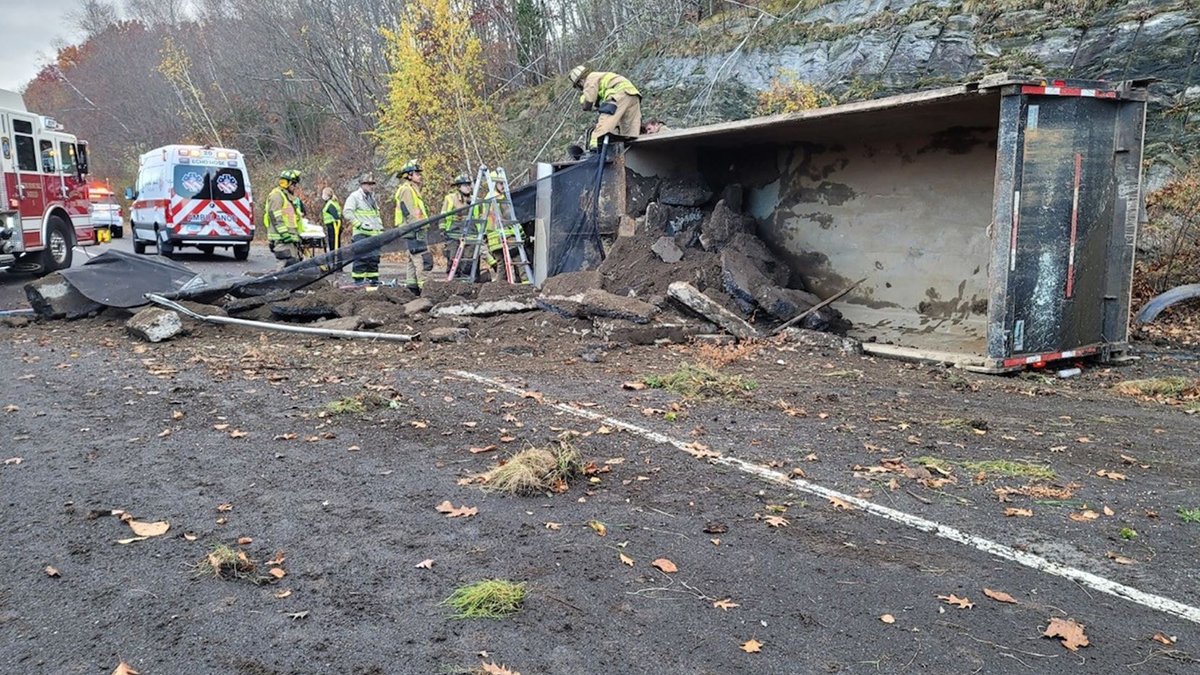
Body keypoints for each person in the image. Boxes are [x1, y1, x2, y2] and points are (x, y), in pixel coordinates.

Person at [569, 65, 642, 151]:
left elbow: (589, 101)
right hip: (632, 95)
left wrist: (584, 102)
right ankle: (630, 150)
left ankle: (595, 148)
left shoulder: (590, 79)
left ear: (580, 82)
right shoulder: (600, 76)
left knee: (605, 123)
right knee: (629, 131)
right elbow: (598, 98)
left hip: (618, 94)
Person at [483, 171, 527, 284]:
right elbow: (507, 218)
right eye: (500, 183)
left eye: (503, 183)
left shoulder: (487, 198)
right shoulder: (499, 198)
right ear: (494, 184)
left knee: (501, 264)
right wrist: (520, 231)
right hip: (505, 236)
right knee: (518, 258)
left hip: (494, 239)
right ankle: (526, 283)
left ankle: (499, 287)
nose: (503, 186)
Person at [393, 159, 428, 291]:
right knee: (420, 259)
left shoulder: (412, 189)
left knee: (411, 259)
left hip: (412, 229)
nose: (420, 176)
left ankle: (412, 287)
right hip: (413, 229)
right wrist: (418, 228)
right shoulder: (407, 190)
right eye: (417, 174)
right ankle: (424, 288)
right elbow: (409, 212)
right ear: (409, 175)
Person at [343, 173, 383, 285]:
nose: (371, 186)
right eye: (369, 184)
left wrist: (380, 230)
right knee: (361, 260)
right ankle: (358, 282)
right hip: (361, 234)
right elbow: (347, 212)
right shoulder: (355, 197)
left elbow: (375, 217)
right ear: (362, 184)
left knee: (373, 260)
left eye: (372, 184)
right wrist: (359, 224)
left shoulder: (372, 199)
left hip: (374, 235)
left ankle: (373, 282)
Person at [264, 170, 303, 269]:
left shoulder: (287, 197)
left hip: (289, 239)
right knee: (284, 266)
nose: (295, 187)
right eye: (294, 184)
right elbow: (275, 217)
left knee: (293, 266)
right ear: (288, 183)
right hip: (282, 239)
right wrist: (284, 234)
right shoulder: (276, 196)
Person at [439, 174, 474, 275]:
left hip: (470, 233)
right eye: (465, 185)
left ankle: (465, 281)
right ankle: (452, 280)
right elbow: (443, 215)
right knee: (453, 259)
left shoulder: (474, 199)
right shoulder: (450, 198)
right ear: (458, 187)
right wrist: (442, 229)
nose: (468, 187)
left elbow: (478, 217)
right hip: (453, 232)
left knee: (468, 260)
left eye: (469, 184)